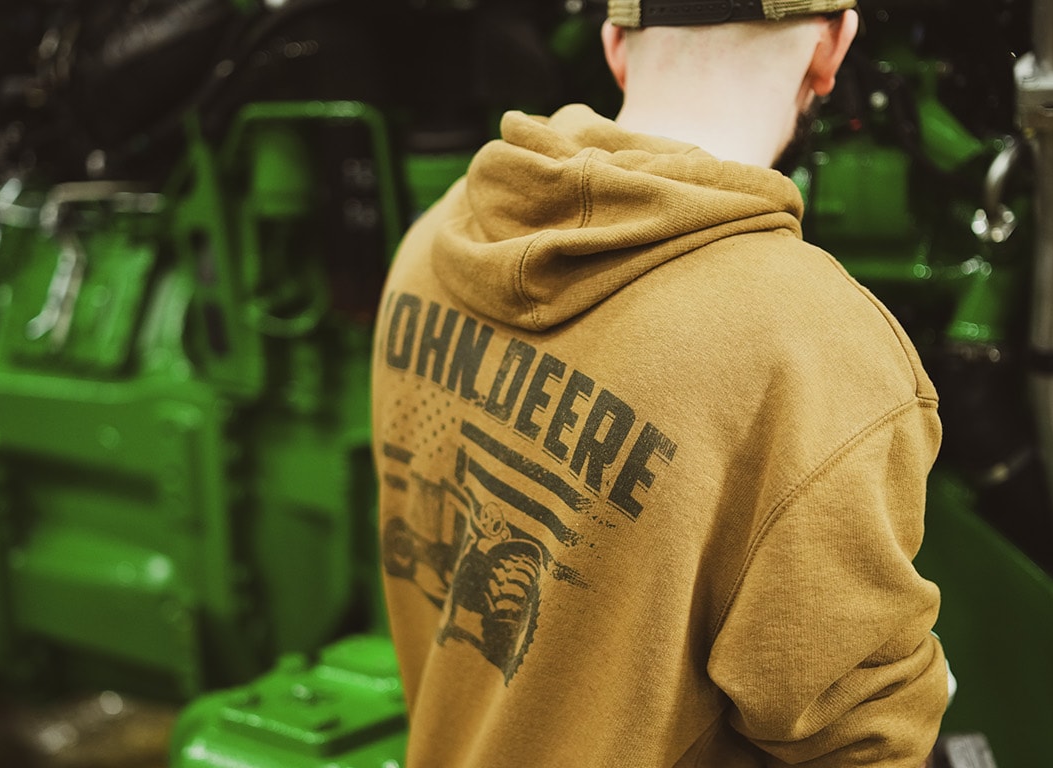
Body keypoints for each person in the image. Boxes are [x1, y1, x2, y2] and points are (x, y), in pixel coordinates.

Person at [370, 0, 948, 764]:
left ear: (616, 43)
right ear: (831, 48)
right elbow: (863, 745)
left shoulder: (433, 246)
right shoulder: (813, 347)